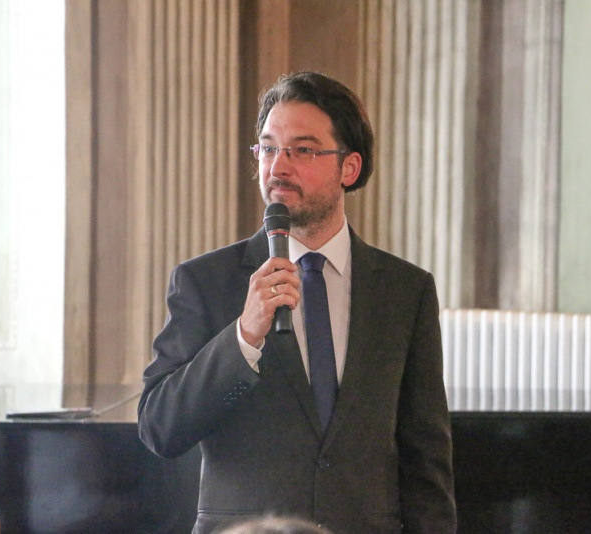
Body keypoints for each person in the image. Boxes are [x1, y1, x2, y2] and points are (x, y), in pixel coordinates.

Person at [138, 71, 456, 533]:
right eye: (269, 148)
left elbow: (426, 460)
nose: (278, 167)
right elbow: (160, 429)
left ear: (349, 168)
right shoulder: (204, 281)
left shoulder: (406, 291)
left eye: (302, 150)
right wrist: (243, 336)